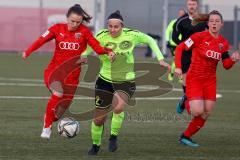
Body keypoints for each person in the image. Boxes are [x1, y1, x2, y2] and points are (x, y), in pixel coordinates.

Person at [83, 10, 171, 155]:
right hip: (104, 80)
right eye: (110, 26)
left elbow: (150, 40)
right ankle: (95, 145)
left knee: (118, 107)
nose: (112, 29)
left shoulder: (132, 35)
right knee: (99, 119)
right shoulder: (101, 36)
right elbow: (88, 46)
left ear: (122, 26)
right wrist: (83, 56)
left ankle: (113, 136)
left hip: (126, 80)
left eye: (116, 27)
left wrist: (160, 58)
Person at [22, 4, 115, 139]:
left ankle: (49, 119)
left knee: (58, 114)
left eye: (78, 22)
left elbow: (97, 46)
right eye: (72, 21)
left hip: (72, 79)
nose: (75, 24)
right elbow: (41, 40)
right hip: (54, 72)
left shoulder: (84, 32)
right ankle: (46, 129)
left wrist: (108, 52)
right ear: (67, 18)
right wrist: (27, 51)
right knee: (58, 92)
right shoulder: (57, 28)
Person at [174, 10, 240, 147]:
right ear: (208, 23)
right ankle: (186, 99)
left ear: (222, 24)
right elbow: (180, 48)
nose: (214, 24)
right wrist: (178, 67)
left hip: (210, 81)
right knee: (197, 111)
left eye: (217, 21)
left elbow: (226, 65)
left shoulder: (223, 43)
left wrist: (234, 59)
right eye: (212, 21)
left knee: (206, 112)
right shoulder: (199, 36)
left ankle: (185, 136)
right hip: (195, 78)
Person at [172, 0, 209, 114]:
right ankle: (186, 98)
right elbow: (174, 37)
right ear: (187, 6)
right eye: (189, 4)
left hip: (200, 53)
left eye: (193, 4)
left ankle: (188, 99)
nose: (191, 6)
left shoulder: (204, 20)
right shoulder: (181, 20)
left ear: (197, 5)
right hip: (186, 54)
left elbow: (211, 33)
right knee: (186, 80)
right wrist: (183, 46)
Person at [165, 8, 186, 82]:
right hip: (174, 44)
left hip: (183, 44)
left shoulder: (187, 23)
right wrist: (167, 41)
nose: (181, 15)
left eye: (182, 14)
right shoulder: (174, 22)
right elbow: (167, 31)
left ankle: (180, 76)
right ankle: (172, 73)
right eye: (180, 14)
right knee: (176, 60)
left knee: (183, 60)